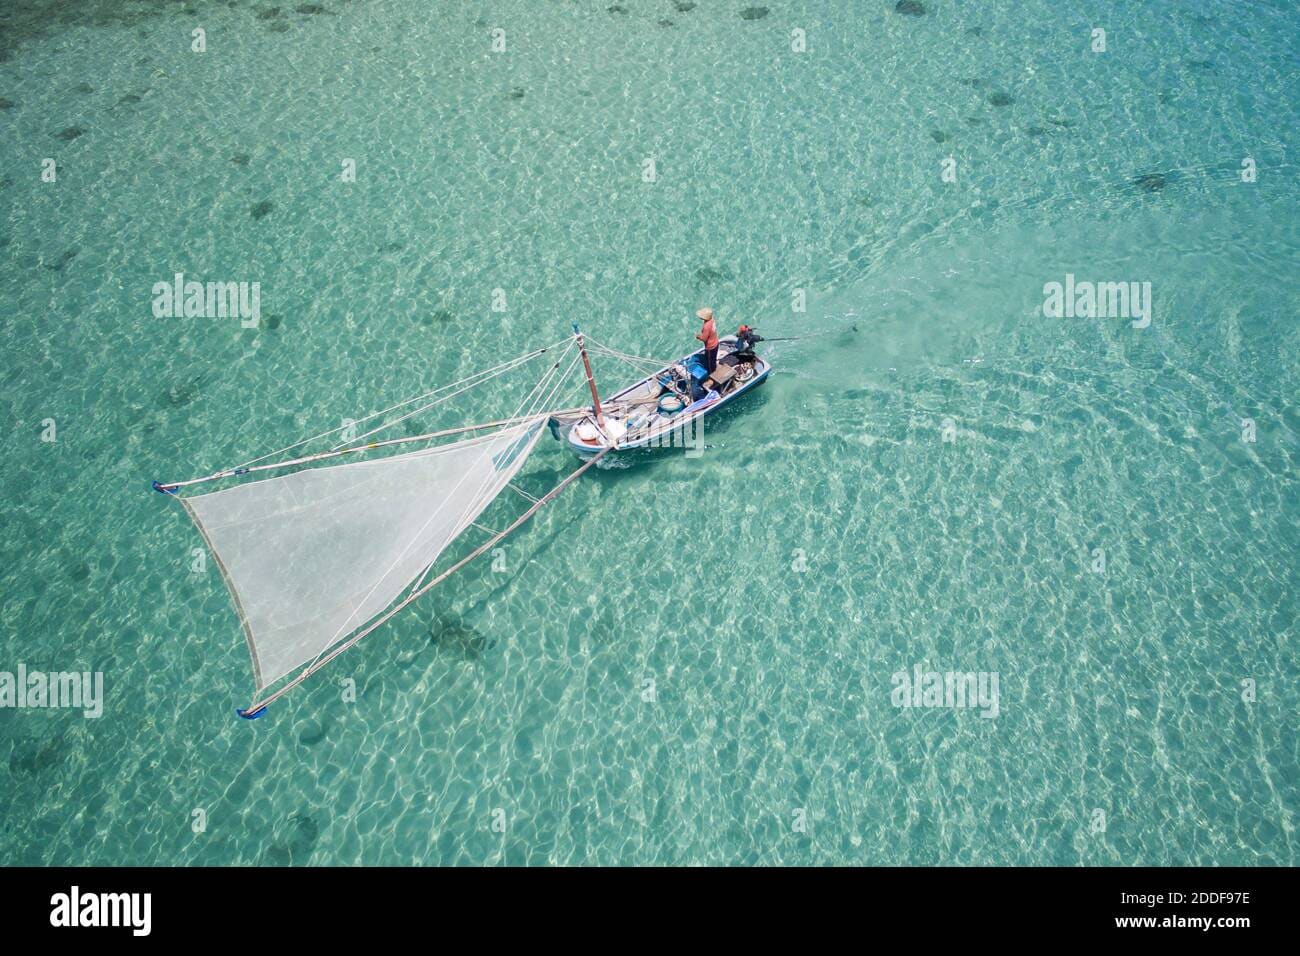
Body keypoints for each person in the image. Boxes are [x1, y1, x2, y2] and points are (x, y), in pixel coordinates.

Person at [696, 307, 719, 373]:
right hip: (716, 343)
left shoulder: (706, 326)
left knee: (710, 363)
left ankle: (712, 373)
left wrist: (698, 336)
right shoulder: (712, 320)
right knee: (712, 358)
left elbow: (704, 339)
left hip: (710, 347)